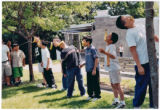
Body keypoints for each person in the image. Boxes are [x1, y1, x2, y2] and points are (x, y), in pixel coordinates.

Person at [116, 15, 158, 108]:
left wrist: (155, 37)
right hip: (143, 64)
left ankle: (153, 106)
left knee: (154, 86)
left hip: (152, 61)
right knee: (141, 88)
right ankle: (137, 107)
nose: (128, 16)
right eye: (126, 17)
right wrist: (139, 66)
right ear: (126, 24)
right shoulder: (130, 33)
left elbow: (149, 35)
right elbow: (133, 50)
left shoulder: (140, 26)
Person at [99, 32, 125, 108]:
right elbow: (108, 57)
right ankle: (116, 100)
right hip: (111, 69)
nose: (106, 36)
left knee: (117, 85)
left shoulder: (112, 46)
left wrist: (104, 52)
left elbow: (113, 56)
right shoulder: (109, 46)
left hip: (114, 69)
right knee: (113, 85)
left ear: (111, 40)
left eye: (109, 36)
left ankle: (122, 102)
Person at [80, 36, 101, 101]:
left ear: (88, 42)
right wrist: (83, 64)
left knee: (95, 83)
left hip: (93, 69)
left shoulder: (92, 49)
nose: (83, 42)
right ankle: (90, 95)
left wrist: (94, 69)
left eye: (84, 41)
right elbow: (88, 59)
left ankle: (97, 96)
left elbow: (96, 59)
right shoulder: (86, 49)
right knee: (89, 83)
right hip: (88, 69)